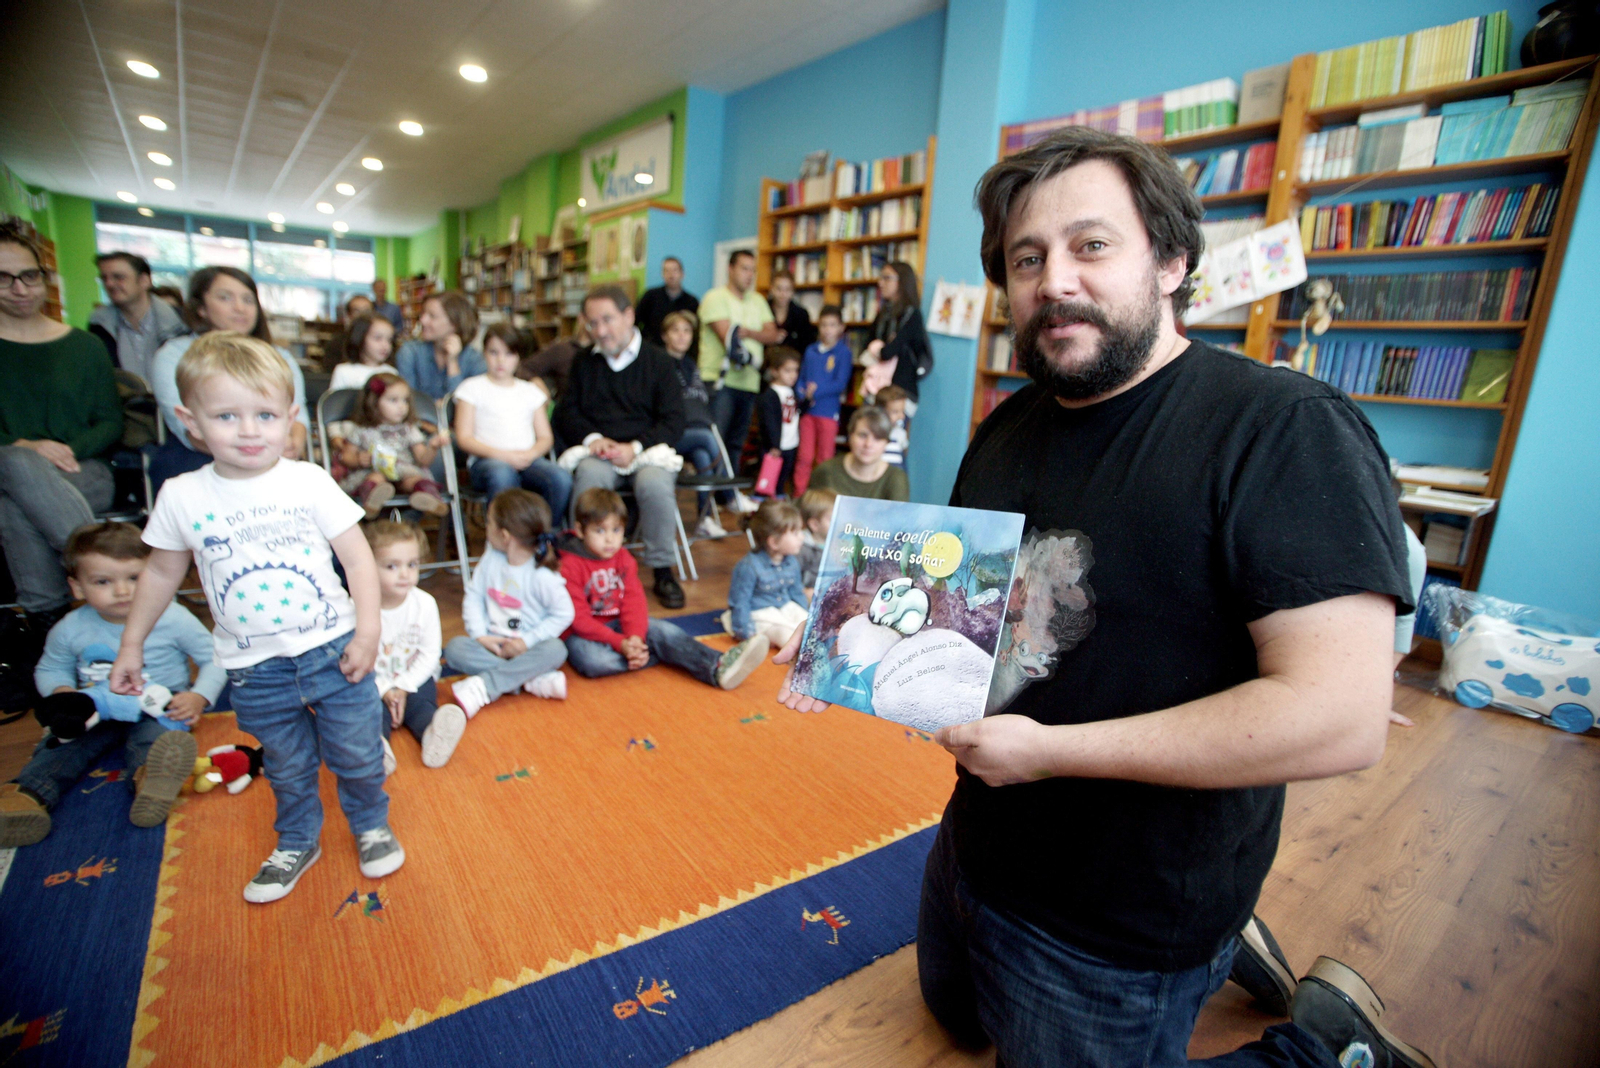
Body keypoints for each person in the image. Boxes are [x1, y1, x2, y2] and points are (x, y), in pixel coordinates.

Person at [778, 126, 1428, 1068]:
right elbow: (962, 608)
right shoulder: (1006, 428)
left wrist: (1049, 753)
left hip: (1121, 921)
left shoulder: (1282, 429)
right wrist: (846, 646)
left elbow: (1340, 720)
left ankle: (1324, 1047)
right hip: (974, 847)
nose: (1053, 281)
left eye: (1091, 245)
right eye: (1025, 259)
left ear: (1170, 260)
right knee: (955, 1021)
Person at [113, 331, 403, 904]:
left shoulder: (308, 481)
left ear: (290, 416)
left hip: (334, 651)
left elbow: (357, 558)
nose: (249, 430)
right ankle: (298, 839)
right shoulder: (181, 495)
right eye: (227, 415)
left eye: (265, 414)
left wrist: (369, 631)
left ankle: (370, 823)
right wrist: (131, 646)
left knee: (358, 753)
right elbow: (160, 575)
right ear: (189, 420)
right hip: (255, 669)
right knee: (289, 766)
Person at [0, 521, 221, 846]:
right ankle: (26, 797)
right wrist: (62, 694)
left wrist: (199, 696)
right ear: (77, 587)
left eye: (135, 578)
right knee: (62, 747)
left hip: (158, 705)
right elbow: (51, 667)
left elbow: (215, 657)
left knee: (157, 742)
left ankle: (152, 781)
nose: (122, 591)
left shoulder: (172, 617)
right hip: (93, 707)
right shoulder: (70, 627)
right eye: (103, 581)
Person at [0, 220, 124, 624]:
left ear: (44, 277)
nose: (20, 289)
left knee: (13, 507)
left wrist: (68, 450)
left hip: (83, 470)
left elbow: (110, 422)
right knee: (17, 467)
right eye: (4, 279)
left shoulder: (86, 346)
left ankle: (46, 624)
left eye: (29, 276)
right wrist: (27, 449)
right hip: (7, 469)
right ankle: (118, 584)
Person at [552, 285, 688, 609]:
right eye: (592, 323)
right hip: (599, 452)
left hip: (645, 450)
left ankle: (662, 570)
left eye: (607, 320)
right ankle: (581, 565)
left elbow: (674, 420)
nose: (599, 330)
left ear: (629, 316)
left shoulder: (658, 361)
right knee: (588, 479)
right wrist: (592, 439)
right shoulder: (584, 362)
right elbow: (566, 412)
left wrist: (636, 446)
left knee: (655, 485)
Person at [558, 487, 769, 689]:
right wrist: (619, 643)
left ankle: (717, 665)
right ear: (579, 530)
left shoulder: (623, 558)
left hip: (620, 625)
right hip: (584, 633)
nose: (610, 538)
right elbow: (579, 620)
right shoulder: (569, 566)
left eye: (616, 530)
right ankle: (652, 655)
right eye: (599, 530)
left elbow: (634, 602)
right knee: (594, 662)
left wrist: (635, 638)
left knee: (666, 631)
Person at [149, 266, 311, 496]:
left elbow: (297, 416)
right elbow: (186, 429)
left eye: (248, 299)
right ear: (201, 307)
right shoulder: (174, 354)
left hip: (273, 451)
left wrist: (290, 445)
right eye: (225, 297)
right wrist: (250, 455)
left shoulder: (279, 356)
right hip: (200, 455)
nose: (240, 307)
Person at [443, 488, 574, 716]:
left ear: (504, 536)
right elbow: (474, 595)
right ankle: (530, 680)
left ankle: (485, 686)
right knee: (455, 649)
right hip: (493, 647)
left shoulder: (542, 574)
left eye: (488, 522)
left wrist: (526, 642)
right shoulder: (490, 558)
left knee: (556, 649)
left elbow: (564, 614)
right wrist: (480, 636)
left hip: (528, 650)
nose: (486, 527)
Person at [366, 520, 466, 771]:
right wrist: (385, 689)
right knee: (367, 709)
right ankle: (378, 748)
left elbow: (431, 653)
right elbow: (355, 660)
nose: (405, 574)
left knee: (422, 704)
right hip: (373, 683)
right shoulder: (357, 608)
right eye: (392, 566)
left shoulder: (425, 604)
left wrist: (403, 687)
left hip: (413, 680)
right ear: (367, 567)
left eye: (412, 564)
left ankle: (432, 734)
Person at [453, 323, 571, 522]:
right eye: (493, 352)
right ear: (484, 353)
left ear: (518, 357)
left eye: (509, 354)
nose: (501, 360)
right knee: (502, 474)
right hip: (488, 461)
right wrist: (505, 456)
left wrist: (529, 455)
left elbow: (545, 437)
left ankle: (545, 537)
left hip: (528, 460)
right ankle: (504, 539)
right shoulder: (471, 388)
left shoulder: (530, 392)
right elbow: (464, 438)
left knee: (560, 478)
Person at [663, 311, 752, 538]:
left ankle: (705, 519)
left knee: (703, 454)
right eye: (676, 331)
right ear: (665, 336)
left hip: (694, 429)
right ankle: (730, 496)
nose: (682, 336)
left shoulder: (691, 364)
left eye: (687, 331)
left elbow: (696, 398)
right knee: (708, 438)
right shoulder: (660, 363)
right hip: (670, 432)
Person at [698, 250, 785, 463]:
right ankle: (708, 496)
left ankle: (728, 495)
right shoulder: (714, 297)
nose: (749, 275)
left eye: (753, 270)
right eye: (744, 268)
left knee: (736, 444)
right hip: (720, 382)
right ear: (731, 269)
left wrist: (749, 333)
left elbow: (774, 334)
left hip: (749, 383)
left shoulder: (758, 300)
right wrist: (755, 336)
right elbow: (729, 340)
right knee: (715, 441)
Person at [328, 373, 450, 517]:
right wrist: (358, 459)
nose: (402, 407)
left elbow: (422, 459)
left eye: (405, 401)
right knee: (376, 478)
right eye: (393, 400)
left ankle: (428, 497)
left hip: (404, 471)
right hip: (373, 470)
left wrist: (432, 447)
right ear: (373, 402)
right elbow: (346, 456)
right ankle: (372, 500)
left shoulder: (409, 429)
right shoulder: (362, 430)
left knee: (414, 479)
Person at [89, 251, 188, 382]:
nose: (109, 284)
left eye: (118, 277)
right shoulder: (99, 326)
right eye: (104, 278)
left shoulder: (181, 322)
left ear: (144, 281)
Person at [723, 499, 808, 648]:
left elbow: (796, 593)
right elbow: (740, 602)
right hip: (761, 614)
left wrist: (804, 615)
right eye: (795, 533)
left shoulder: (792, 562)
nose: (802, 537)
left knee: (811, 625)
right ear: (774, 542)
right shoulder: (748, 566)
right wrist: (744, 633)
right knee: (784, 634)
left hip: (784, 607)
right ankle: (801, 653)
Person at [795, 304, 853, 495]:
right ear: (818, 327)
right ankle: (800, 495)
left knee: (825, 458)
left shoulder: (843, 353)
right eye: (824, 325)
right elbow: (801, 378)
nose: (828, 329)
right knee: (804, 456)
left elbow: (840, 383)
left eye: (832, 325)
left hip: (828, 413)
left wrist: (815, 392)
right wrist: (802, 392)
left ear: (841, 328)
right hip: (807, 413)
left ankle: (822, 499)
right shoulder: (810, 351)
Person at [864, 261, 932, 413]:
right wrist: (886, 347)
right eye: (881, 278)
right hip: (877, 388)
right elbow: (867, 346)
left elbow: (887, 353)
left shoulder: (912, 315)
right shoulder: (883, 313)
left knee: (893, 435)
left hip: (900, 391)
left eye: (887, 278)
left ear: (902, 281)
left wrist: (884, 348)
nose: (880, 283)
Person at [395, 290, 485, 400]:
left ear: (455, 323)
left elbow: (467, 406)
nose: (422, 320)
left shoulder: (474, 359)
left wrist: (452, 362)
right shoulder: (409, 352)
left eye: (432, 316)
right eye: (423, 314)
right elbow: (407, 401)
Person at [807, 406, 909, 502]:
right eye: (862, 435)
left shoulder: (896, 479)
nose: (868, 444)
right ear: (850, 435)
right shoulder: (826, 472)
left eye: (877, 438)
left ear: (886, 443)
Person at [755, 348, 804, 497]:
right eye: (787, 371)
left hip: (791, 443)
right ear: (775, 371)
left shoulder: (791, 391)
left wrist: (807, 400)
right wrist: (774, 445)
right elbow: (769, 422)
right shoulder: (770, 394)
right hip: (775, 446)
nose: (793, 375)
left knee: (783, 478)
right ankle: (763, 504)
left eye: (795, 371)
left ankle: (779, 500)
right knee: (768, 478)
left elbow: (797, 411)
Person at [636, 256, 699, 348]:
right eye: (666, 270)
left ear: (682, 274)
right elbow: (635, 321)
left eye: (674, 270)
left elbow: (695, 331)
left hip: (681, 354)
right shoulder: (650, 296)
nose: (671, 275)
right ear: (662, 274)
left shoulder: (692, 302)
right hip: (652, 350)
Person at [329, 313, 397, 391]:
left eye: (389, 340)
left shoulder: (391, 372)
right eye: (377, 338)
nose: (385, 346)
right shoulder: (343, 371)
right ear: (360, 338)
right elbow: (335, 401)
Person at [796, 487, 836, 591]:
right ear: (815, 525)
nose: (839, 521)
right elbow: (794, 581)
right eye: (833, 519)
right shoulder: (801, 549)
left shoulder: (842, 544)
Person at [767, 270, 817, 355]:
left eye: (787, 290)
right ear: (771, 289)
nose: (783, 294)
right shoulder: (763, 309)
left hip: (793, 363)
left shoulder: (801, 314)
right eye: (779, 289)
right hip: (766, 362)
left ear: (793, 291)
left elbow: (806, 345)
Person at [875, 384, 911, 468]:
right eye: (895, 412)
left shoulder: (900, 433)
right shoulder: (874, 434)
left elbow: (903, 456)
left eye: (902, 411)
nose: (901, 416)